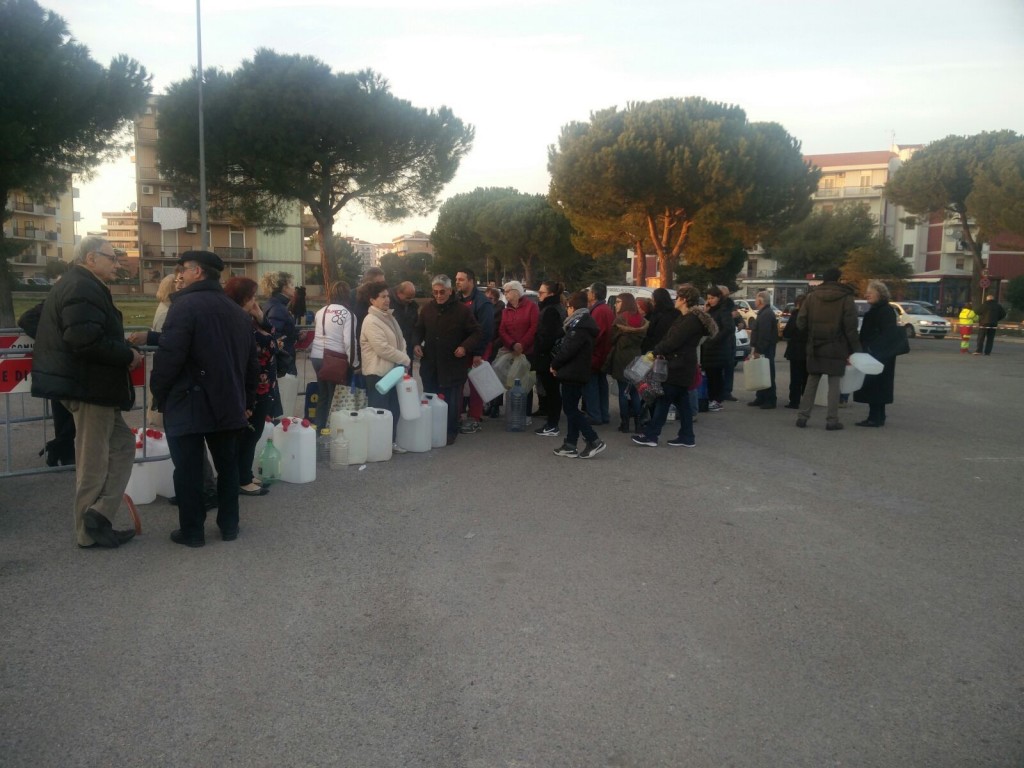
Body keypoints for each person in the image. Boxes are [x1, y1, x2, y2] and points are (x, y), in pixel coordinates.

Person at [30, 237, 143, 548]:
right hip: (89, 387)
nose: (117, 264)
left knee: (122, 447)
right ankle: (88, 530)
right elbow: (84, 340)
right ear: (91, 258)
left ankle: (99, 515)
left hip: (93, 386)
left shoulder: (81, 284)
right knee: (92, 461)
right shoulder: (82, 286)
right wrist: (127, 355)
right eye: (112, 258)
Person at [151, 251, 258, 547]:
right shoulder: (237, 311)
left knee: (188, 471)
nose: (179, 276)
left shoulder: (184, 306)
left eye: (183, 270)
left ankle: (193, 531)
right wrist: (247, 401)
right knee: (227, 468)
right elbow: (252, 364)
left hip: (189, 401)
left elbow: (169, 357)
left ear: (197, 271)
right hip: (228, 402)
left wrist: (158, 393)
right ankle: (229, 525)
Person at [631, 285, 716, 448]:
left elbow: (673, 341)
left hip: (679, 365)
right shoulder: (686, 318)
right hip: (682, 364)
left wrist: (654, 353)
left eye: (677, 298)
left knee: (664, 399)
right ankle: (687, 436)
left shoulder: (689, 320)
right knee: (682, 402)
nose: (675, 301)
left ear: (684, 300)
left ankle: (652, 435)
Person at [224, 276, 283, 493]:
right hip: (253, 385)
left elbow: (275, 338)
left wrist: (261, 317)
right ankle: (242, 479)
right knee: (248, 434)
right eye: (252, 297)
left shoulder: (250, 320)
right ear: (244, 298)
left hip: (264, 384)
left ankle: (245, 474)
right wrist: (271, 337)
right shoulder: (238, 321)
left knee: (254, 432)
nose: (256, 302)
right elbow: (273, 343)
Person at [413, 275, 482, 445]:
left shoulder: (462, 310)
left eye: (442, 292)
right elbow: (418, 329)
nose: (438, 295)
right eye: (435, 292)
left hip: (453, 365)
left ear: (450, 291)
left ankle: (450, 431)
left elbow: (476, 333)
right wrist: (416, 344)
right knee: (430, 400)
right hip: (430, 365)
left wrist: (464, 347)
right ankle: (431, 430)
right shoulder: (427, 309)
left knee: (451, 402)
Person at [795, 267, 861, 431]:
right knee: (834, 383)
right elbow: (851, 326)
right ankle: (832, 420)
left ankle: (803, 417)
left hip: (815, 344)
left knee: (812, 381)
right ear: (838, 279)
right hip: (836, 345)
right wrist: (856, 348)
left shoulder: (811, 297)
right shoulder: (846, 298)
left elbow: (800, 322)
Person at [18, 294, 77, 467]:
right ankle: (64, 453)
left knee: (73, 415)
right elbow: (25, 320)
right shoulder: (52, 303)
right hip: (57, 369)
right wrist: (52, 338)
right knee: (64, 415)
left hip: (71, 368)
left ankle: (58, 450)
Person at [550, 291, 606, 459]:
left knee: (571, 409)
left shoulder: (578, 327)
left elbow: (568, 350)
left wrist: (554, 364)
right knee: (572, 408)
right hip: (577, 371)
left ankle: (593, 439)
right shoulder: (583, 324)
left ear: (572, 307)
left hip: (573, 372)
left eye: (568, 307)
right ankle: (570, 443)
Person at [360, 282, 411, 446]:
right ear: (372, 300)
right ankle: (378, 446)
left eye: (388, 296)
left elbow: (400, 339)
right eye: (382, 297)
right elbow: (382, 348)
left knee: (394, 409)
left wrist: (403, 354)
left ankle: (390, 443)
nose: (387, 299)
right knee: (380, 412)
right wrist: (404, 359)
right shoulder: (371, 320)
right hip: (377, 374)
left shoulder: (389, 317)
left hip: (393, 373)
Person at [310, 281, 355, 430]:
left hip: (316, 356)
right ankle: (331, 430)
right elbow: (349, 341)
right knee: (335, 396)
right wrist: (355, 364)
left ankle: (318, 426)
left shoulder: (321, 311)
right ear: (347, 295)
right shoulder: (348, 314)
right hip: (335, 359)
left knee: (323, 395)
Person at [853, 280, 899, 428]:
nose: (867, 295)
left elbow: (886, 334)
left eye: (870, 292)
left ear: (879, 294)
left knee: (875, 385)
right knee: (878, 385)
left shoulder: (883, 311)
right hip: (878, 354)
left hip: (877, 354)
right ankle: (879, 415)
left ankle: (874, 417)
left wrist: (872, 348)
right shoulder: (882, 310)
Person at [456, 269, 496, 434]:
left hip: (477, 349)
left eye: (461, 279)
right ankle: (457, 415)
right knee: (458, 382)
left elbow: (486, 330)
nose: (457, 282)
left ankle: (475, 417)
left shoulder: (482, 303)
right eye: (456, 279)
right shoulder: (457, 300)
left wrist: (478, 353)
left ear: (471, 281)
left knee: (476, 384)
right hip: (461, 348)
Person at [607, 293, 648, 432]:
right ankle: (638, 423)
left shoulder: (620, 319)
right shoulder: (641, 320)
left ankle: (624, 423)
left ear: (625, 303)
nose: (615, 304)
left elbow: (611, 338)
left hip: (621, 357)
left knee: (623, 392)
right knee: (635, 392)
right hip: (636, 357)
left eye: (618, 301)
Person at [533, 280, 566, 437]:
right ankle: (552, 422)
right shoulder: (556, 308)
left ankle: (552, 424)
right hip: (553, 355)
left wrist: (539, 349)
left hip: (549, 356)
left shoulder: (550, 310)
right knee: (552, 390)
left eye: (541, 293)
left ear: (551, 294)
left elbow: (548, 336)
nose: (538, 295)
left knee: (552, 391)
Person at [582, 282, 615, 425]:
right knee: (601, 384)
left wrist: (586, 347)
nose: (588, 294)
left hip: (596, 354)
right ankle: (603, 413)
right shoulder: (606, 309)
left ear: (594, 294)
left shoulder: (598, 311)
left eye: (589, 291)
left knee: (592, 385)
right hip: (604, 353)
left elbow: (597, 333)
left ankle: (595, 414)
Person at [701, 286, 734, 412]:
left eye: (712, 298)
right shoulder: (711, 310)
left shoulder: (724, 310)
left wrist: (715, 339)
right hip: (709, 349)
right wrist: (705, 311)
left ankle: (717, 400)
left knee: (716, 376)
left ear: (719, 298)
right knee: (710, 374)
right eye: (708, 298)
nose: (710, 300)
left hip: (718, 349)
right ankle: (712, 398)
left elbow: (728, 328)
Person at [260, 271, 298, 376]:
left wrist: (296, 335)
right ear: (284, 288)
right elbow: (274, 335)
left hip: (280, 360)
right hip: (283, 363)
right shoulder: (278, 308)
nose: (294, 288)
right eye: (292, 285)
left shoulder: (273, 304)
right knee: (287, 391)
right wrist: (286, 359)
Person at [748, 291, 779, 409]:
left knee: (767, 373)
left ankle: (770, 399)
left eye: (756, 299)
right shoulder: (764, 313)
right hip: (763, 348)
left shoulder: (766, 314)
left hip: (765, 349)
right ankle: (760, 397)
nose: (755, 301)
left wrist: (759, 350)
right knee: (760, 373)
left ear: (760, 301)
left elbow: (764, 335)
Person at [782, 293, 808, 409]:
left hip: (796, 350)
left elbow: (787, 332)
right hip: (808, 350)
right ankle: (807, 399)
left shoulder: (796, 315)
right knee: (806, 377)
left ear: (797, 304)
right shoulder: (812, 316)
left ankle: (794, 401)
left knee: (796, 377)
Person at [483, 286, 505, 418]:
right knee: (486, 377)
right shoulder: (485, 309)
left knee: (495, 377)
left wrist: (494, 344)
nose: (488, 300)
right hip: (486, 345)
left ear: (496, 300)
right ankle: (488, 404)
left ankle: (495, 405)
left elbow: (501, 329)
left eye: (490, 298)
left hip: (495, 346)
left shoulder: (500, 311)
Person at [719, 285, 740, 402]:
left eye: (728, 295)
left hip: (730, 341)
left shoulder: (730, 304)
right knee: (720, 368)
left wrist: (740, 321)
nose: (727, 297)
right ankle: (720, 391)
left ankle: (727, 391)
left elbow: (737, 315)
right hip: (721, 342)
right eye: (725, 295)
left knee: (729, 366)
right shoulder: (717, 306)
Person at [390, 281, 420, 361]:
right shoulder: (387, 302)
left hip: (408, 347)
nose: (411, 300)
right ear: (399, 293)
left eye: (412, 297)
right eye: (408, 298)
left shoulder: (413, 306)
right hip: (393, 348)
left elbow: (416, 326)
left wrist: (416, 343)